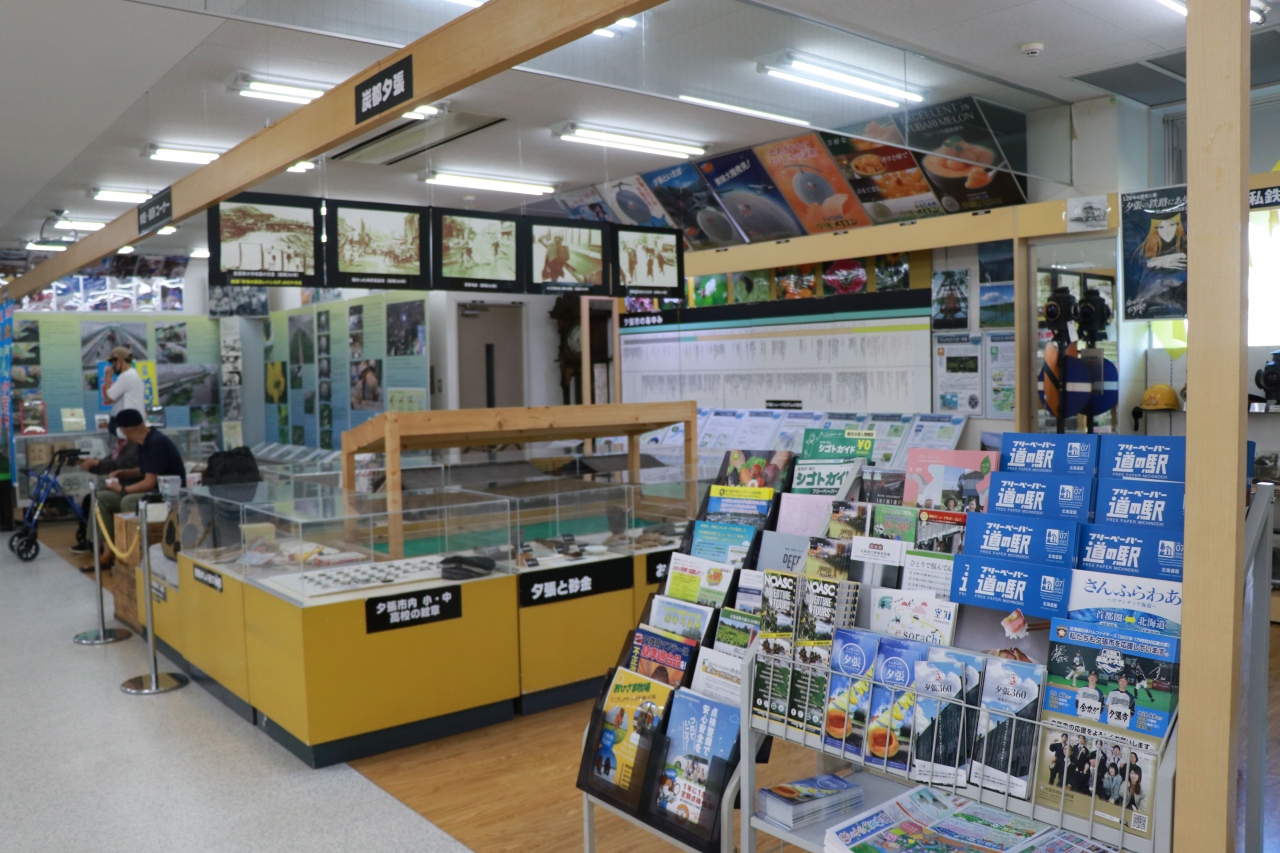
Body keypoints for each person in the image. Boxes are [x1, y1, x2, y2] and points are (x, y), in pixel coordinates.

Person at [94, 408, 186, 565]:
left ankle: (133, 553)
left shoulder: (156, 443)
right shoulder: (144, 443)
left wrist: (122, 490)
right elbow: (148, 470)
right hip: (154, 491)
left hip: (165, 496)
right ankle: (108, 551)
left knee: (129, 501)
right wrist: (124, 473)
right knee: (102, 498)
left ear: (126, 429)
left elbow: (149, 482)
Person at [69, 433, 141, 559]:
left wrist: (96, 463)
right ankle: (104, 549)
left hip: (135, 488)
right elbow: (109, 463)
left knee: (125, 501)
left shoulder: (138, 445)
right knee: (96, 498)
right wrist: (90, 464)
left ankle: (124, 548)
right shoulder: (121, 446)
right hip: (123, 487)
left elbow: (120, 464)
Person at [101, 346, 146, 425]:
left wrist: (108, 378)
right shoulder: (134, 374)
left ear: (120, 360)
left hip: (126, 423)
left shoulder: (126, 376)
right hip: (134, 421)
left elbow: (108, 399)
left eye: (113, 363)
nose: (113, 367)